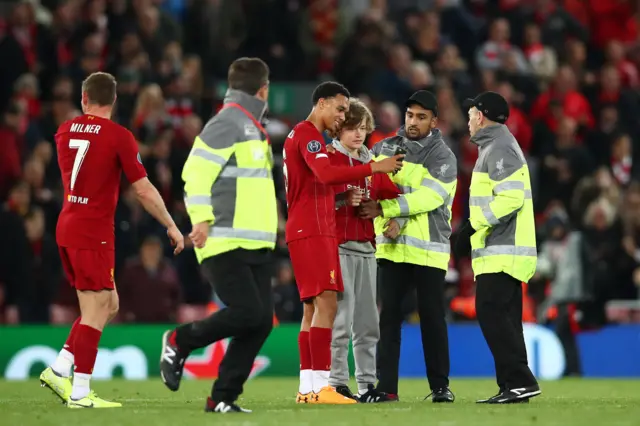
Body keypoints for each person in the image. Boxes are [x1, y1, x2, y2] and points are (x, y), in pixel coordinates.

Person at [39, 72, 185, 408]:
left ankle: (60, 366)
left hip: (68, 225)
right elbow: (144, 189)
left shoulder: (64, 130)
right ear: (114, 100)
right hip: (93, 231)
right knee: (96, 309)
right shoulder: (119, 136)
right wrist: (170, 225)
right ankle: (79, 391)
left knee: (110, 304)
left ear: (84, 98)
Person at [159, 58, 278, 413]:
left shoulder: (253, 127)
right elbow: (194, 173)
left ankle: (223, 398)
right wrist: (202, 218)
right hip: (223, 237)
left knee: (259, 323)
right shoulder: (228, 123)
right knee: (247, 312)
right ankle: (180, 340)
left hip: (255, 241)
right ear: (263, 90)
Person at [283, 81, 404, 404]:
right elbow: (324, 174)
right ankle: (326, 386)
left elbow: (320, 180)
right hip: (318, 231)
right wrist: (374, 167)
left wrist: (388, 211)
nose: (342, 118)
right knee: (328, 307)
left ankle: (309, 387)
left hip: (317, 230)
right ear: (321, 103)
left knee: (313, 309)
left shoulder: (307, 137)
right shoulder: (309, 136)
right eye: (339, 110)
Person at [358, 90, 457, 403]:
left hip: (428, 249)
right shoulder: (384, 148)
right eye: (410, 115)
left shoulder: (442, 156)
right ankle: (386, 388)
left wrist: (390, 214)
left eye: (421, 117)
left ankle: (440, 387)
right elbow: (372, 192)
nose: (413, 122)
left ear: (433, 121)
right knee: (388, 320)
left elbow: (431, 198)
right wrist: (383, 224)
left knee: (431, 318)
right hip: (392, 247)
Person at [459, 91, 540, 404]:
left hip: (504, 249)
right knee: (505, 317)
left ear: (481, 115)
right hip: (500, 247)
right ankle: (513, 385)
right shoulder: (496, 145)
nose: (467, 121)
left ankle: (520, 380)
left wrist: (474, 225)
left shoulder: (499, 146)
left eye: (471, 115)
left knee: (490, 311)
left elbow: (511, 197)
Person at [327, 98, 400, 403]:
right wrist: (344, 199)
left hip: (367, 250)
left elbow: (389, 195)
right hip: (339, 247)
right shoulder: (329, 160)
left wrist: (390, 216)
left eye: (363, 128)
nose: (358, 134)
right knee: (341, 320)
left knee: (368, 323)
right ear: (338, 130)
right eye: (352, 128)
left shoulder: (371, 161)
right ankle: (337, 383)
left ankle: (368, 385)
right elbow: (313, 204)